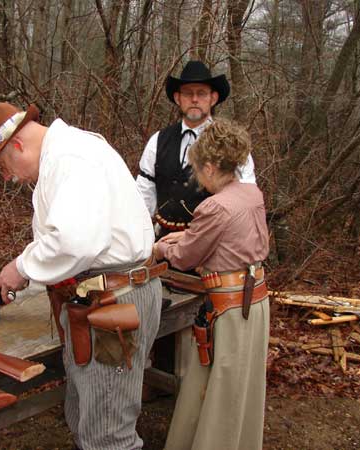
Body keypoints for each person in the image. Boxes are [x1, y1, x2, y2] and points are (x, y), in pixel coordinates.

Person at [0, 102, 167, 450]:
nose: (8, 178)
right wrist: (11, 290)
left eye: (2, 168)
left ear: (16, 146)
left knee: (108, 435)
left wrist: (20, 268)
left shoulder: (71, 159)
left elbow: (74, 244)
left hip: (112, 306)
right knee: (87, 419)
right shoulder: (64, 156)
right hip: (102, 296)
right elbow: (67, 252)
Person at [153, 119, 270, 450]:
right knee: (240, 384)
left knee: (223, 387)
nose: (197, 179)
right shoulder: (251, 194)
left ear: (208, 166)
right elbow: (225, 242)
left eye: (197, 171)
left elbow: (186, 257)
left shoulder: (215, 206)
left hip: (229, 309)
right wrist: (186, 236)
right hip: (254, 303)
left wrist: (162, 247)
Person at [136, 60, 256, 237]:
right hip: (163, 244)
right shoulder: (158, 141)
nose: (194, 99)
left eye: (201, 93)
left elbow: (245, 198)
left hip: (213, 246)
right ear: (178, 98)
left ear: (213, 98)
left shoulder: (231, 144)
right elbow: (143, 195)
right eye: (188, 93)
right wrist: (140, 237)